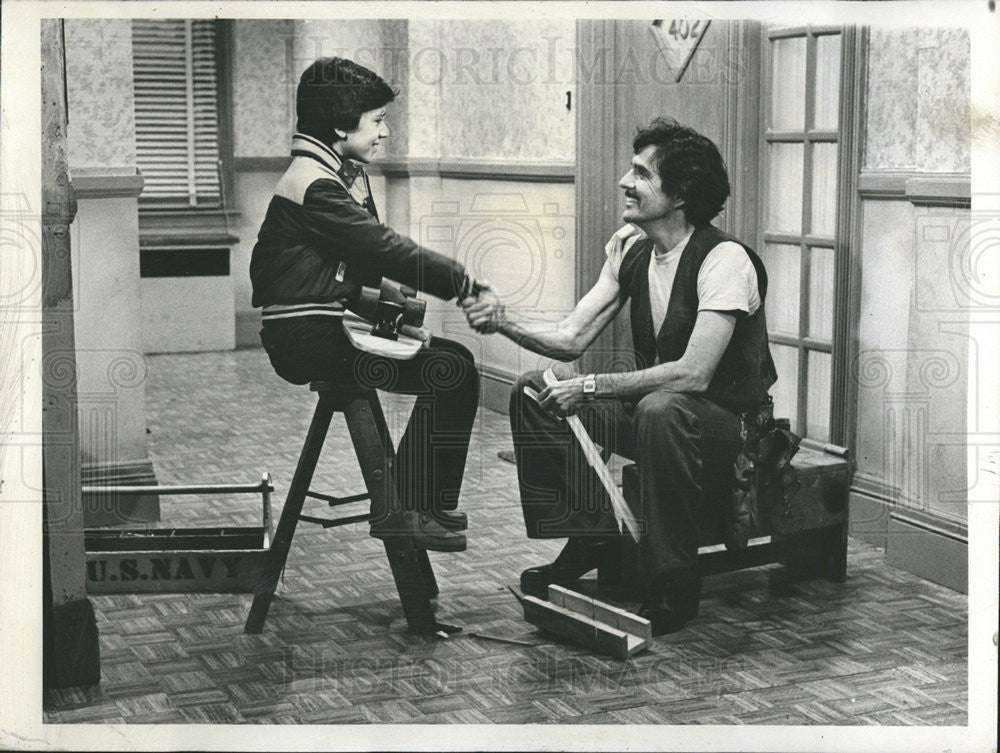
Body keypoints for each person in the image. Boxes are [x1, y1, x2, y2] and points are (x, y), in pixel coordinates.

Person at [463, 117, 777, 634]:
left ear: (679, 194)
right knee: (532, 391)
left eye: (641, 174)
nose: (624, 182)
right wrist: (504, 322)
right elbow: (570, 337)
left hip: (732, 430)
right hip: (661, 417)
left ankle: (675, 580)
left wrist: (588, 386)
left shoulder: (725, 259)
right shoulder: (632, 249)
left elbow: (694, 375)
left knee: (661, 407)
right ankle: (593, 536)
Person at [251, 57, 485, 553]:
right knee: (452, 370)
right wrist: (463, 282)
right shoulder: (315, 183)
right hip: (306, 339)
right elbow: (380, 248)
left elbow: (346, 279)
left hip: (317, 327)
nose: (385, 131)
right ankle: (409, 509)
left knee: (455, 362)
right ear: (340, 125)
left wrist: (402, 321)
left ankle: (421, 505)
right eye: (377, 119)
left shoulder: (333, 172)